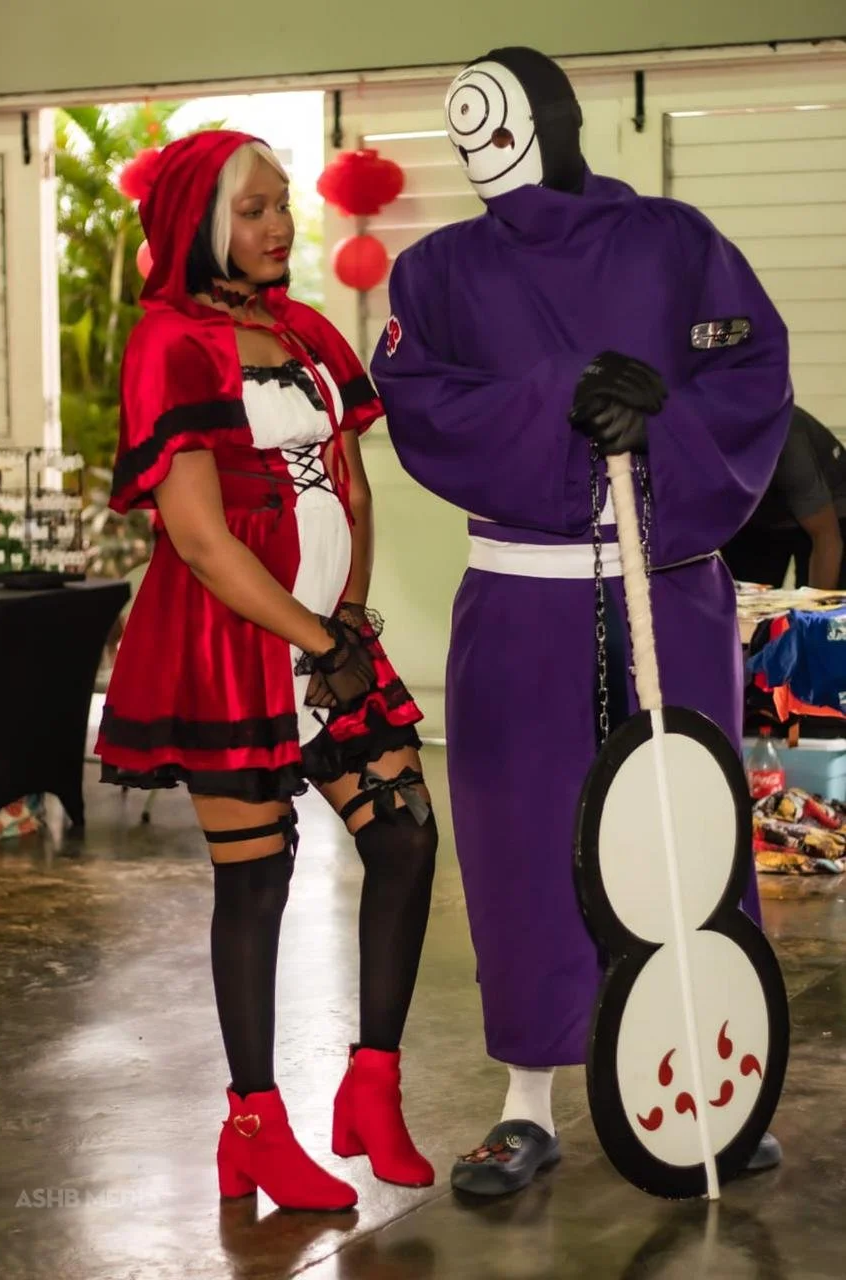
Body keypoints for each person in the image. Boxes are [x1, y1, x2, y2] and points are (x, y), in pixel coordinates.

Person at [370, 47, 792, 1196]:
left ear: (554, 120)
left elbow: (752, 367)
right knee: (524, 839)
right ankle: (526, 1100)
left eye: (499, 122)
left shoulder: (676, 242)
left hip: (669, 585)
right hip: (522, 597)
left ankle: (716, 1079)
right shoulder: (436, 272)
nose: (480, 146)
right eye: (461, 130)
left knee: (689, 827)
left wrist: (662, 417)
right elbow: (421, 402)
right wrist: (557, 392)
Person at [96, 130, 437, 1211]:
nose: (280, 225)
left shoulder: (305, 329)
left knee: (406, 837)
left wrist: (349, 625)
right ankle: (253, 1127)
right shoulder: (167, 344)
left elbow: (352, 488)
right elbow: (200, 539)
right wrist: (316, 638)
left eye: (283, 203)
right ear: (197, 221)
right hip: (230, 650)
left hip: (332, 640)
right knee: (258, 880)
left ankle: (371, 1089)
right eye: (253, 208)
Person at [722, 405, 846, 590]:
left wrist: (817, 605)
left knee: (826, 598)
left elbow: (826, 536)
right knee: (750, 597)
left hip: (830, 510)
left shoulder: (789, 445)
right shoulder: (700, 444)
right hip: (755, 514)